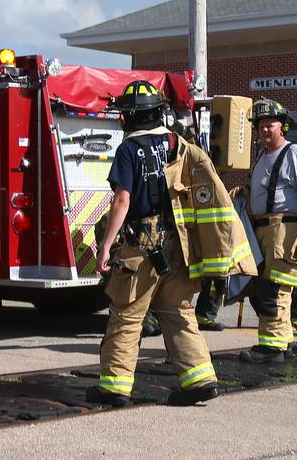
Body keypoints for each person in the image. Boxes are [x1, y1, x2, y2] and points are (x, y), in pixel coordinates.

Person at [87, 80, 237, 407]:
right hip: (177, 244)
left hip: (140, 246)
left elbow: (122, 201)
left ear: (128, 117)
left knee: (127, 315)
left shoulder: (128, 149)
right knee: (178, 311)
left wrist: (105, 245)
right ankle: (200, 379)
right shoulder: (178, 144)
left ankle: (114, 387)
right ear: (159, 112)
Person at [239, 99, 297, 364]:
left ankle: (270, 349)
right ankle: (282, 342)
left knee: (275, 288)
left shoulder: (295, 153)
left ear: (282, 126)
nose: (264, 129)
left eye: (269, 124)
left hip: (284, 230)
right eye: (260, 125)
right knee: (265, 286)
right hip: (263, 229)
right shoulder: (262, 156)